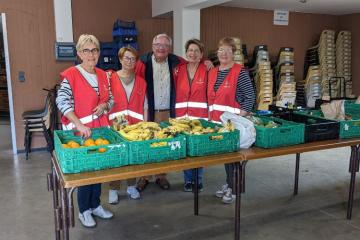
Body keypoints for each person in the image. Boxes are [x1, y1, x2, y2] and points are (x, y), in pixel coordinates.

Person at [56, 34, 114, 227]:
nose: (91, 54)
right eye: (87, 50)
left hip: (100, 131)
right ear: (79, 53)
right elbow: (62, 102)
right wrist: (79, 124)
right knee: (85, 172)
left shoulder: (103, 74)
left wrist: (105, 105)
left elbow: (111, 100)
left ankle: (95, 205)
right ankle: (84, 210)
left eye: (95, 50)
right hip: (80, 134)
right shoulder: (71, 75)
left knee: (98, 169)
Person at [134, 33, 187, 191]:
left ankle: (161, 176)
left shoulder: (177, 62)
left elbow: (194, 64)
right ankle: (144, 176)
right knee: (146, 144)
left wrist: (207, 63)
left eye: (165, 45)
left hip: (167, 112)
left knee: (164, 145)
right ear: (152, 46)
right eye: (158, 45)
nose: (161, 48)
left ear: (169, 48)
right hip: (148, 111)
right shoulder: (142, 62)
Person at [208, 37, 255, 204]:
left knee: (236, 159)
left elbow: (250, 97)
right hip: (219, 124)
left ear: (234, 53)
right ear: (217, 52)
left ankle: (235, 190)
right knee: (227, 158)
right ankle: (229, 184)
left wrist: (239, 119)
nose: (224, 54)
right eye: (221, 50)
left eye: (228, 51)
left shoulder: (240, 72)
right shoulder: (213, 72)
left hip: (235, 125)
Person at [107, 46, 147, 204]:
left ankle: (131, 186)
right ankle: (113, 189)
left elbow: (145, 105)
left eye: (133, 59)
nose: (129, 61)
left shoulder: (142, 82)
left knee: (132, 156)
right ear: (120, 59)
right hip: (116, 124)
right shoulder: (110, 78)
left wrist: (145, 124)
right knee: (117, 157)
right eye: (126, 58)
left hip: (135, 126)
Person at [174, 39, 208, 192]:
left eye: (196, 51)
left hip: (199, 118)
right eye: (190, 50)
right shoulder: (178, 70)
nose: (192, 53)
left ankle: (198, 180)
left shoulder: (207, 70)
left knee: (198, 149)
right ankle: (188, 180)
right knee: (185, 149)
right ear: (186, 52)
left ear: (201, 55)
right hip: (182, 117)